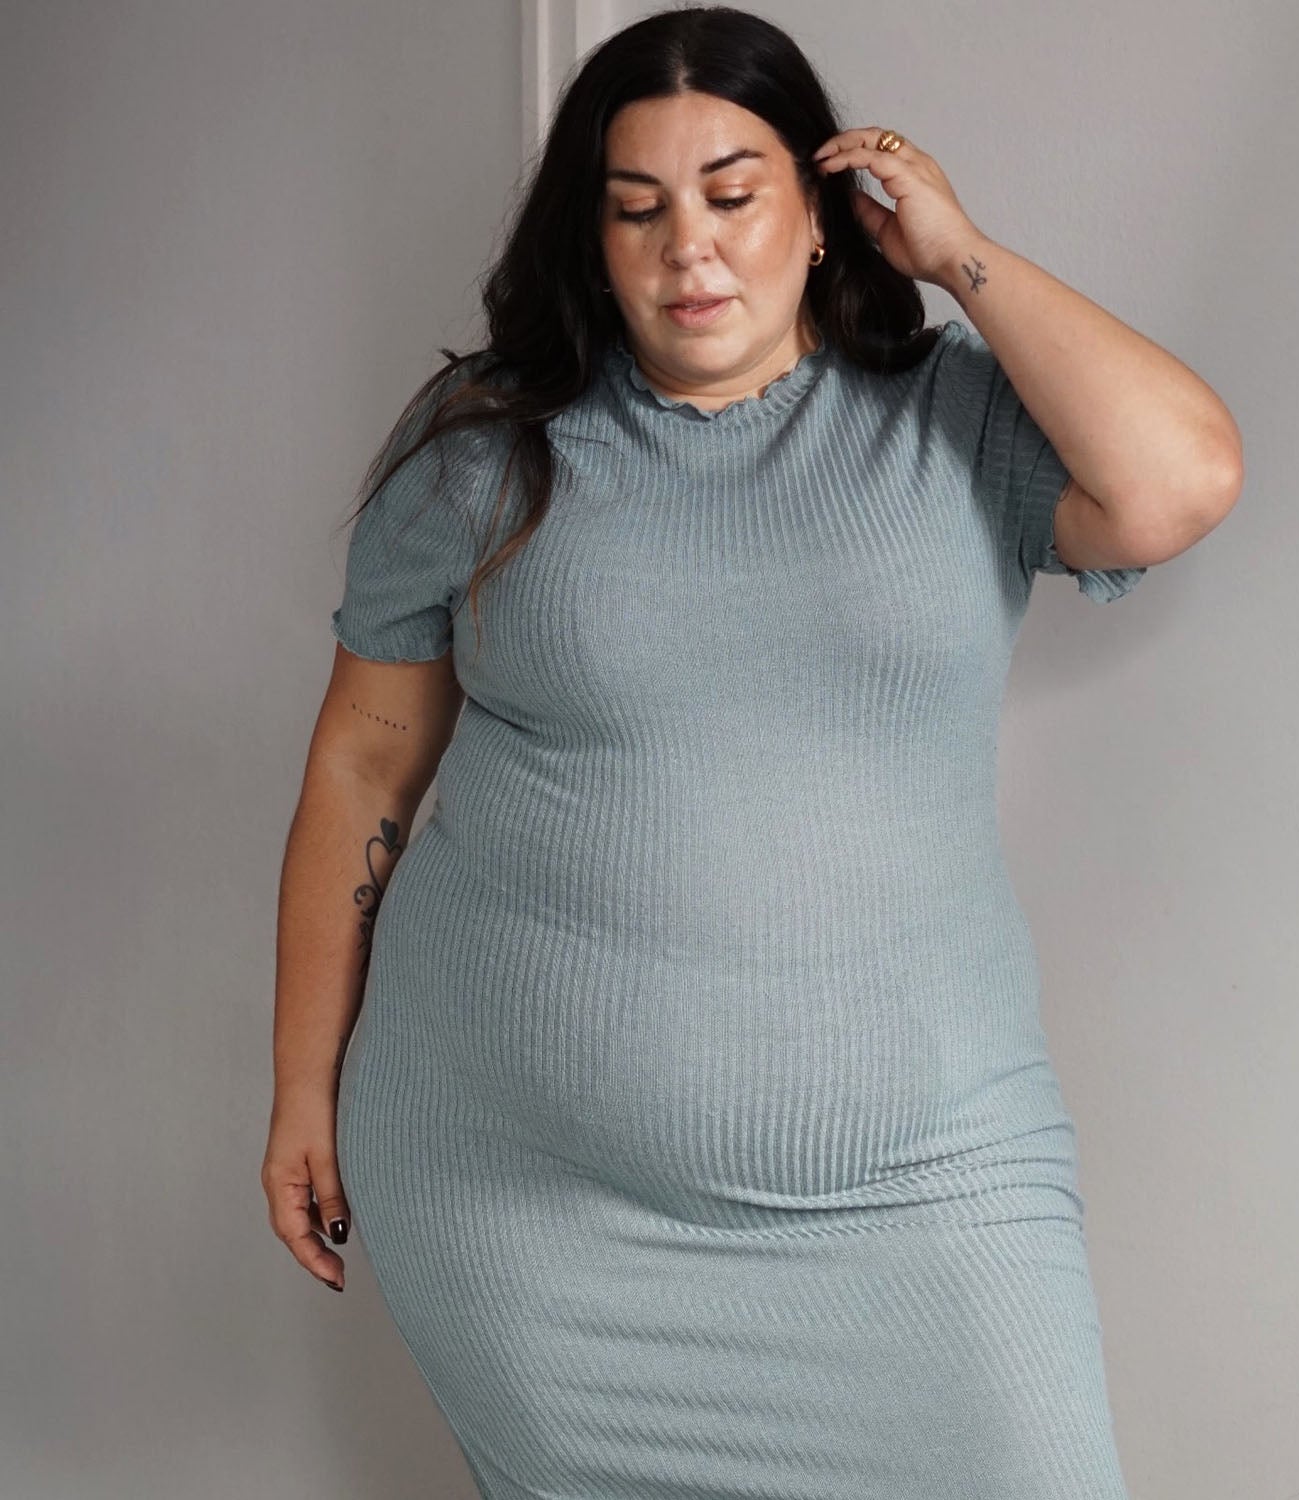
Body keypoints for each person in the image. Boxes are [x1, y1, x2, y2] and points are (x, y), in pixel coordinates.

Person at [263, 6, 1241, 1497]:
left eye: (732, 194)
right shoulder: (486, 452)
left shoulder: (952, 422)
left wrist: (958, 253)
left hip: (926, 1182)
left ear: (823, 209)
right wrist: (301, 1086)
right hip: (526, 1194)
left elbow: (1182, 479)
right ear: (591, 239)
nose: (689, 249)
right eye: (637, 209)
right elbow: (362, 772)